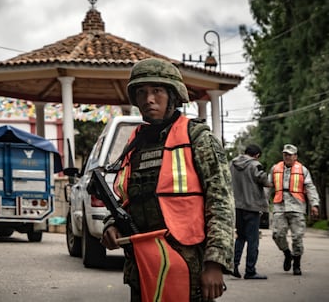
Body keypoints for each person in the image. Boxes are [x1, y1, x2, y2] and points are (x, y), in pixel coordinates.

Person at [100, 58, 235, 301]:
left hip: (187, 261)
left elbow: (221, 203)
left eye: (157, 91)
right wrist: (112, 224)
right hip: (143, 264)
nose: (148, 99)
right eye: (141, 92)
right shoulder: (135, 143)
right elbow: (127, 198)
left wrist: (215, 263)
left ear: (173, 95)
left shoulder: (198, 138)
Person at [269, 144, 320, 276]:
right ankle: (287, 254)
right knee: (277, 234)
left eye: (290, 154)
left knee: (297, 237)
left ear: (295, 156)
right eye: (285, 154)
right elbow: (267, 187)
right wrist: (262, 204)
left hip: (297, 207)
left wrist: (314, 204)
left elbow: (310, 187)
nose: (287, 156)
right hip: (280, 205)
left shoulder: (303, 170)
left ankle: (296, 263)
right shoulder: (275, 168)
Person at [230, 144, 271, 280]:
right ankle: (250, 270)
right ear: (257, 155)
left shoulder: (233, 164)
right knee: (253, 240)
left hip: (237, 206)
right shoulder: (255, 165)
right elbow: (264, 180)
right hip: (252, 207)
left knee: (240, 237)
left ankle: (234, 266)